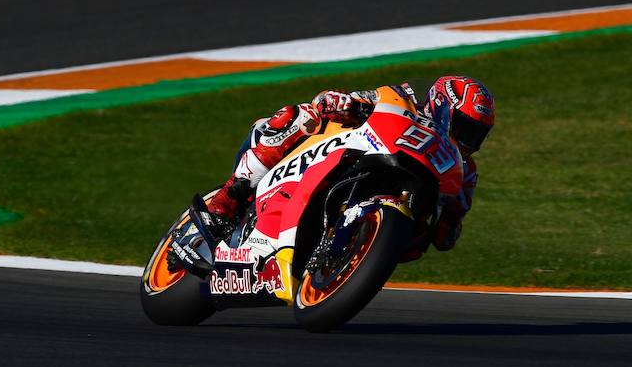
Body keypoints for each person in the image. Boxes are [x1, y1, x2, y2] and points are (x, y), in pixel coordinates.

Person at [202, 75, 495, 254]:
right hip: (348, 152)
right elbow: (337, 100)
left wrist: (446, 221)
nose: (469, 139)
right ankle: (229, 198)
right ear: (442, 107)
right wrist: (344, 103)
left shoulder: (465, 172)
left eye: (477, 133)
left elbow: (447, 237)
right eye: (465, 127)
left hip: (398, 199)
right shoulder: (403, 98)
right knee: (302, 116)